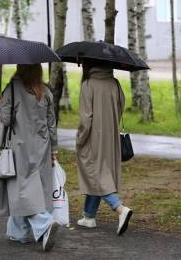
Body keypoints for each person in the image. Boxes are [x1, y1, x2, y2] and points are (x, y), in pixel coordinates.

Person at [0, 64, 59, 251]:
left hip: (20, 147)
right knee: (34, 188)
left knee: (21, 189)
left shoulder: (12, 89)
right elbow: (51, 123)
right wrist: (54, 149)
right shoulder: (45, 90)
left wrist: (0, 106)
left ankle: (45, 224)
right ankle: (19, 232)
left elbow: (7, 120)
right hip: (42, 146)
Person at [76, 59, 133, 235]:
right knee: (100, 173)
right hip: (111, 136)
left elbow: (86, 118)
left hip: (93, 137)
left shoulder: (88, 83)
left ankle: (120, 208)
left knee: (95, 173)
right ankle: (89, 216)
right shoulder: (114, 82)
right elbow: (121, 104)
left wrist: (80, 139)